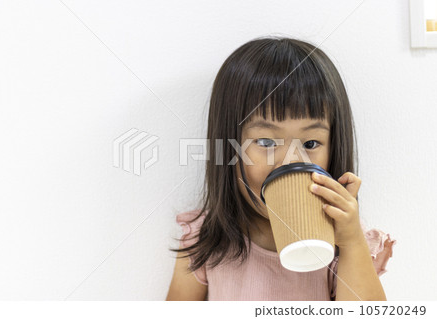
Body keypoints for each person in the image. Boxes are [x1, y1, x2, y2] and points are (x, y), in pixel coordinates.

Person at [166, 36, 396, 301]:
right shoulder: (206, 239)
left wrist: (352, 241)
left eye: (310, 143)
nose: (289, 160)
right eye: (265, 142)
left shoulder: (342, 243)